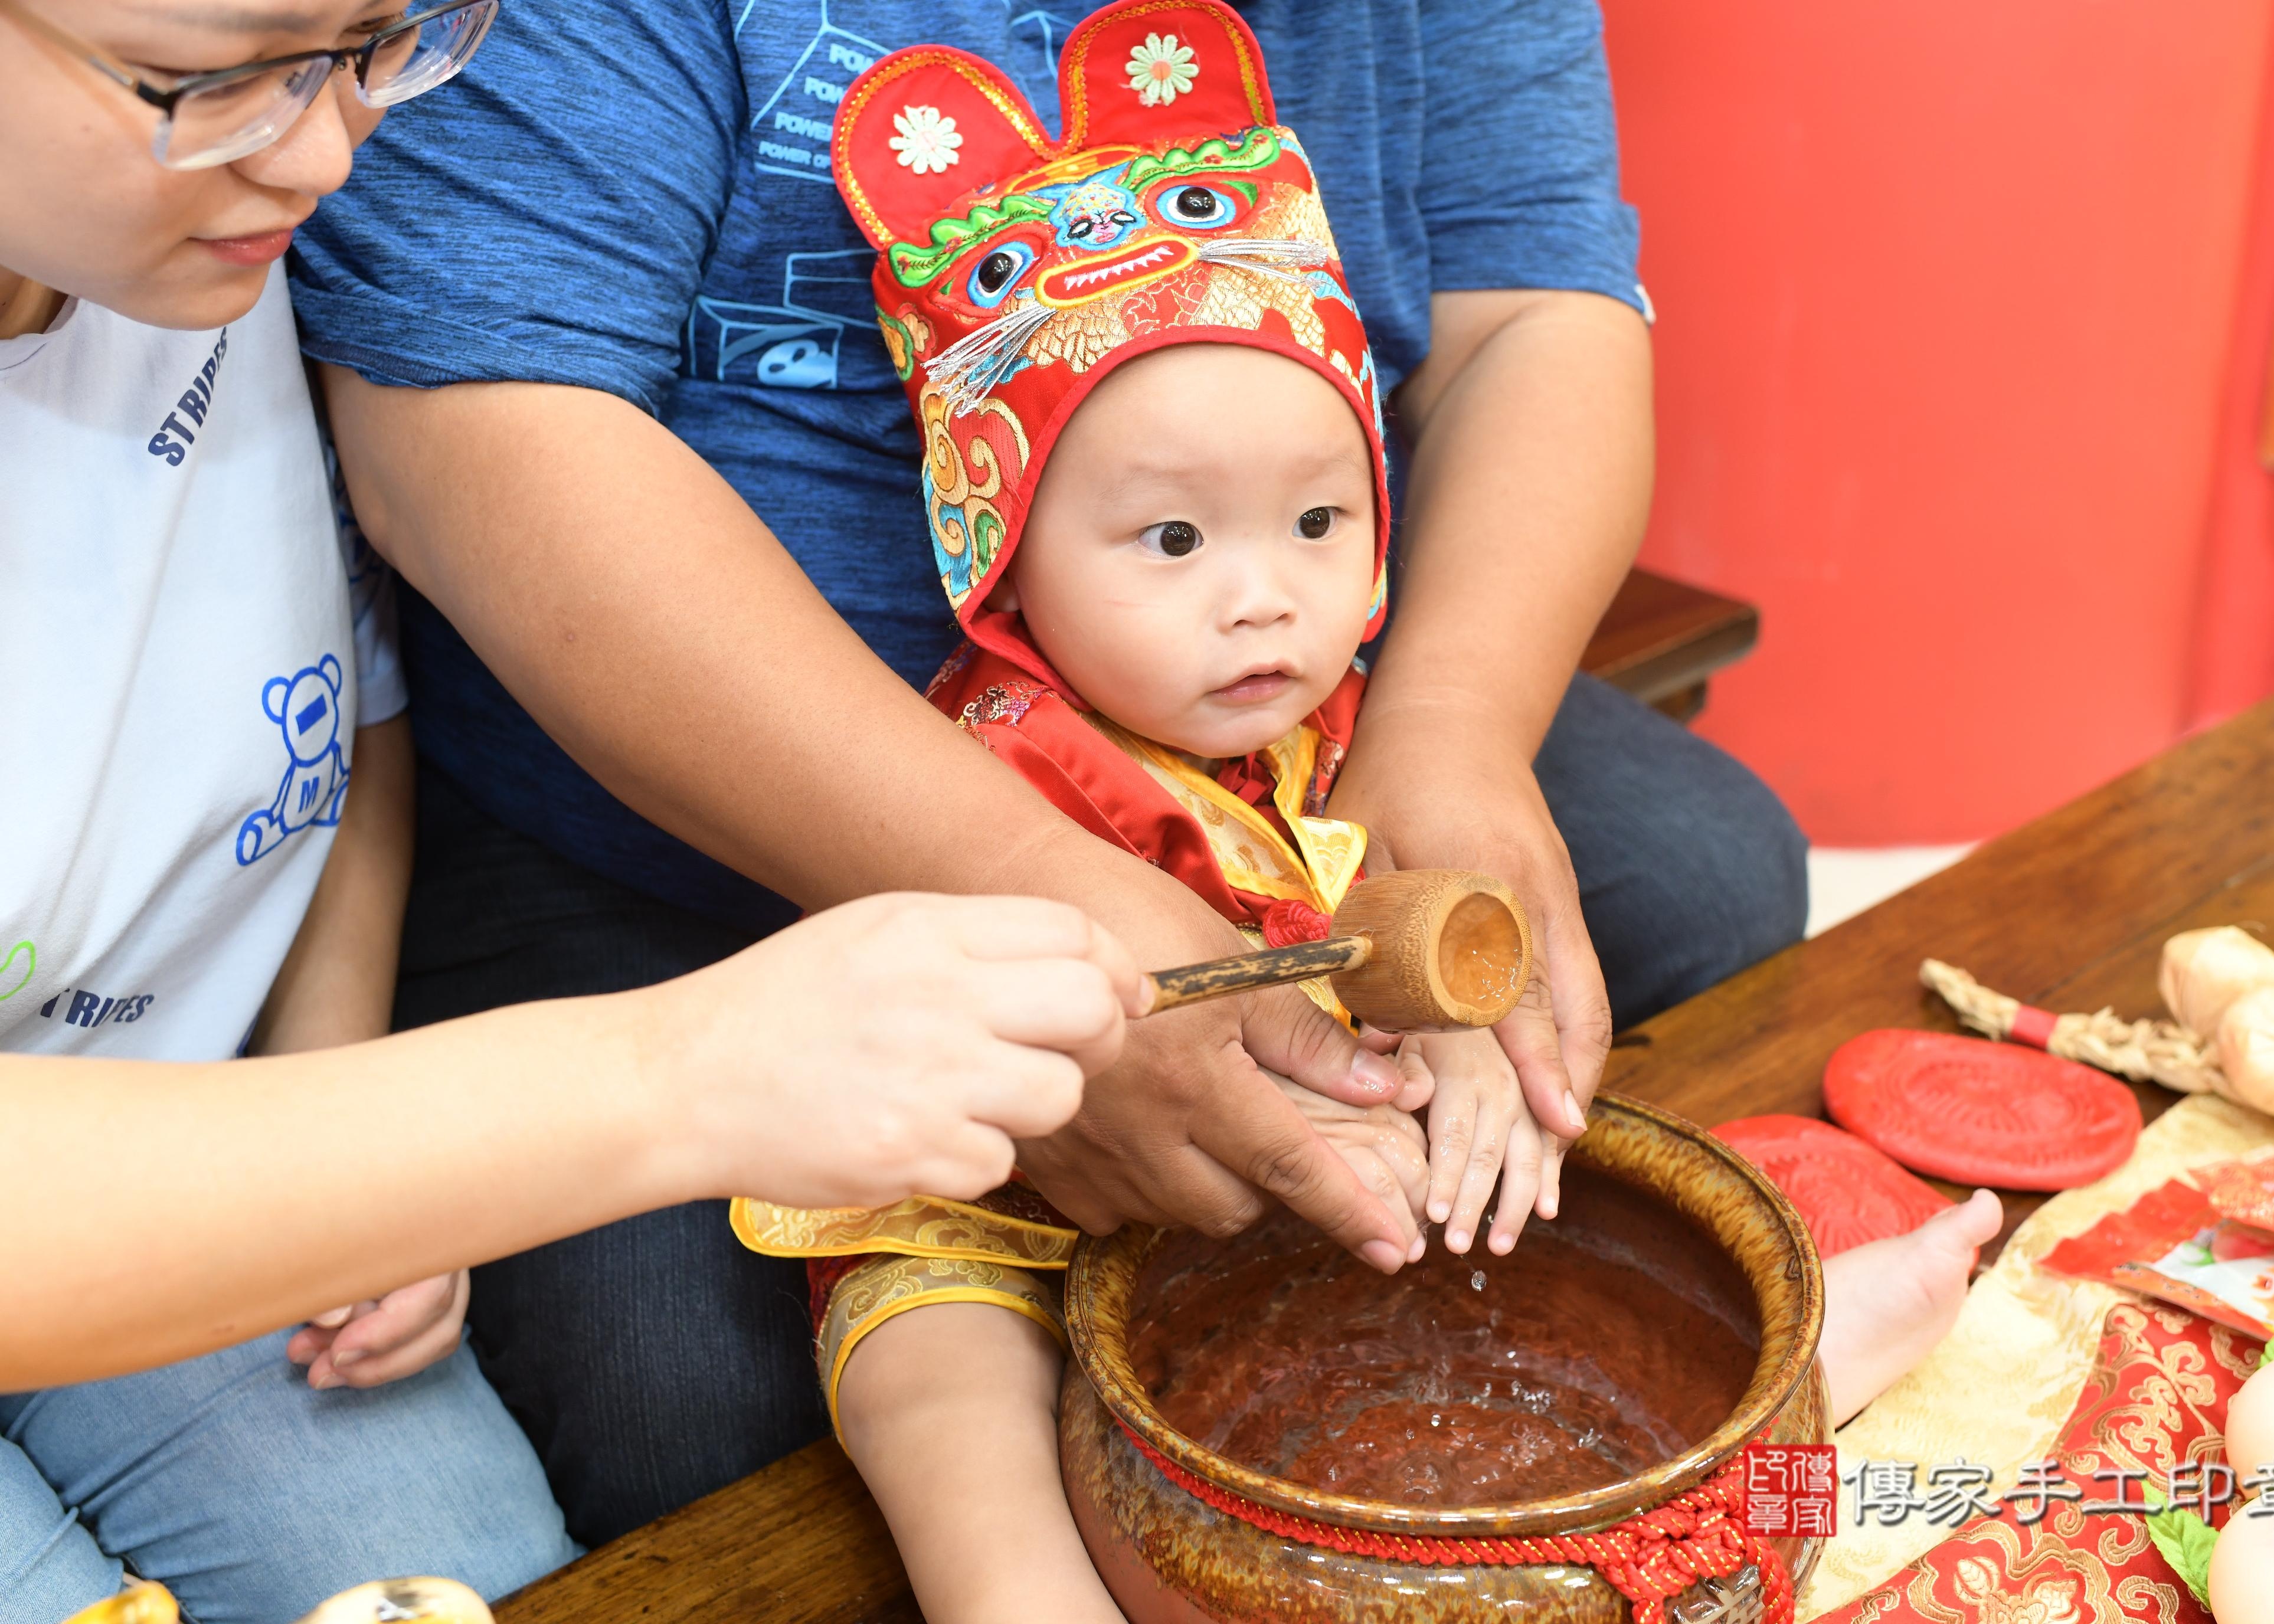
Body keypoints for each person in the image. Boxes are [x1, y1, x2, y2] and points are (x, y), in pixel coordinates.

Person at [291, 0, 1810, 1539]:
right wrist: (1034, 895)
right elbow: (472, 434)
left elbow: (1534, 318)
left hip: (1274, 722)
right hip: (680, 819)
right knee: (700, 1398)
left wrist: (1449, 731)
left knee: (1698, 885)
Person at [729, 26, 1992, 1618]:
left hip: (1277, 1125)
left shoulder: (1318, 715)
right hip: (997, 1179)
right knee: (932, 1362)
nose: (1263, 598)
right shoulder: (997, 761)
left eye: (1320, 523)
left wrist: (1468, 1046)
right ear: (1002, 555)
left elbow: (1383, 922)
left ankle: (1769, 1390)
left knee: (1513, 1144)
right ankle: (1018, 1592)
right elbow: (1036, 1019)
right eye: (1172, 537)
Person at [0, 1, 1142, 1617]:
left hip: (180, 1110)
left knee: (472, 1568)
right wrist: (672, 1075)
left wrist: (349, 1114)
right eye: (222, 78)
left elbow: (343, 720)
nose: (329, 152)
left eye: (374, 43)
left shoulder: (185, 235)